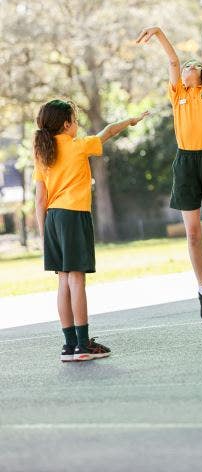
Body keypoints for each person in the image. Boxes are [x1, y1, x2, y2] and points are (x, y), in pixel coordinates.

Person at [136, 10, 202, 324]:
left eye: (192, 66)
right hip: (186, 163)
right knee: (193, 235)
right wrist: (157, 31)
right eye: (184, 68)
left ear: (201, 73)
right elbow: (171, 60)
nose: (186, 68)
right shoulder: (178, 93)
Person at [34, 99, 148, 361]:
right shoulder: (78, 146)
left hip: (52, 219)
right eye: (75, 120)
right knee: (76, 279)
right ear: (66, 124)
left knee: (63, 280)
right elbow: (107, 131)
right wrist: (130, 121)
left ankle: (69, 345)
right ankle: (83, 346)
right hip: (74, 216)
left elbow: (40, 198)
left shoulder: (43, 152)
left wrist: (44, 235)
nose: (77, 124)